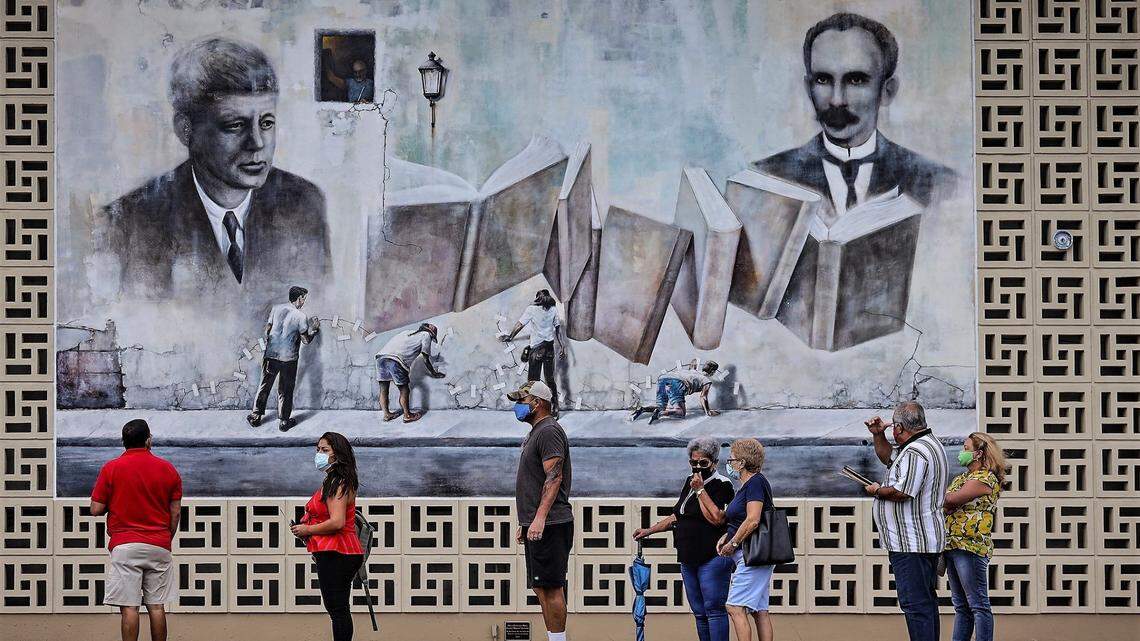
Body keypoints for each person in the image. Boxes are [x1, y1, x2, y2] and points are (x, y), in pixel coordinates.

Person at [100, 37, 331, 302]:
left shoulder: (303, 203)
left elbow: (319, 309)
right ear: (186, 130)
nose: (257, 142)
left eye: (266, 123)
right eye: (235, 125)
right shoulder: (129, 224)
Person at [753, 13, 955, 214]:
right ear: (808, 88)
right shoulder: (765, 179)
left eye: (855, 80)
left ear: (887, 91)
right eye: (823, 80)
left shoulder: (940, 184)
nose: (837, 100)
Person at [89, 419, 183, 641]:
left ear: (123, 442)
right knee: (157, 606)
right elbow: (176, 512)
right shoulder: (168, 469)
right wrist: (165, 538)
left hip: (125, 546)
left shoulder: (111, 468)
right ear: (148, 440)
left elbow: (96, 509)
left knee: (129, 608)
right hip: (159, 544)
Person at [863, 401, 949, 641]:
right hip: (921, 541)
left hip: (911, 543)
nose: (892, 429)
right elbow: (889, 458)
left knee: (916, 606)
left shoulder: (915, 452)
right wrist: (878, 435)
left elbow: (902, 492)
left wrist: (877, 491)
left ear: (899, 428)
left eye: (893, 426)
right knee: (925, 604)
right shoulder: (926, 445)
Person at [634, 438, 734, 641]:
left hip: (712, 556)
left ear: (714, 463)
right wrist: (649, 531)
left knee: (714, 610)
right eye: (693, 462)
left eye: (703, 463)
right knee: (699, 612)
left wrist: (700, 490)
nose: (697, 467)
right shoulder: (690, 481)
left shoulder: (722, 484)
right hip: (688, 557)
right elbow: (678, 514)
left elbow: (717, 519)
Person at [509, 380, 573, 641]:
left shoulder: (548, 431)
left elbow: (554, 477)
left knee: (552, 587)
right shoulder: (538, 431)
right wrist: (527, 521)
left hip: (552, 523)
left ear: (537, 403)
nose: (518, 406)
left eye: (522, 401)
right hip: (537, 523)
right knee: (541, 587)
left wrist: (539, 518)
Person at [289, 432, 364, 641]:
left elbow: (337, 521)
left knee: (337, 610)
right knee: (338, 608)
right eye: (318, 450)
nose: (319, 454)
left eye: (325, 450)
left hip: (337, 551)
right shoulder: (336, 480)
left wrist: (307, 530)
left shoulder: (338, 482)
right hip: (339, 550)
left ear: (337, 454)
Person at [943, 432, 1005, 641]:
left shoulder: (984, 478)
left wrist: (950, 501)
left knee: (978, 605)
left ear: (979, 453)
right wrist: (949, 501)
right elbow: (946, 504)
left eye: (966, 448)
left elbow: (951, 500)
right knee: (961, 606)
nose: (962, 452)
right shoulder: (962, 478)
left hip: (970, 547)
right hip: (952, 545)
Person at [715, 438, 776, 641]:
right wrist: (728, 535)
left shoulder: (755, 483)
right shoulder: (749, 485)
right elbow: (742, 519)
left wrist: (733, 543)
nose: (729, 463)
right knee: (759, 611)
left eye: (731, 459)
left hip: (751, 555)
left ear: (741, 462)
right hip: (753, 554)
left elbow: (753, 519)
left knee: (734, 607)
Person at [247, 286, 320, 431]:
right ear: (299, 298)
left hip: (271, 355)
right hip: (289, 358)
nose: (304, 302)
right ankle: (284, 422)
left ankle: (256, 416)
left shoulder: (276, 309)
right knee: (285, 390)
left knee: (264, 385)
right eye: (304, 299)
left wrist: (274, 342)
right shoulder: (301, 316)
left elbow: (268, 329)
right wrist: (314, 330)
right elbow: (305, 340)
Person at [501, 289, 566, 415]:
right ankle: (554, 408)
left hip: (536, 350)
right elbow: (558, 329)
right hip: (549, 349)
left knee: (533, 381)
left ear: (538, 298)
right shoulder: (553, 309)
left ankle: (535, 409)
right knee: (550, 379)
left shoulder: (531, 309)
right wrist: (562, 346)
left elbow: (520, 325)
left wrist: (510, 336)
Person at [375, 323, 445, 423]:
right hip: (396, 360)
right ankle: (407, 415)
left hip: (380, 358)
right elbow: (425, 358)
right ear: (431, 333)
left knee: (383, 390)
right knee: (404, 390)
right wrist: (434, 373)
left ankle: (386, 414)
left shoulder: (408, 333)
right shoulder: (426, 335)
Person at [630, 360, 721, 425]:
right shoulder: (706, 380)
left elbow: (693, 362)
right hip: (676, 382)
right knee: (680, 412)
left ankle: (642, 409)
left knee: (661, 406)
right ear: (713, 372)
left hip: (663, 378)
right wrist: (708, 412)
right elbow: (703, 397)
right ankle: (660, 413)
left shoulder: (692, 371)